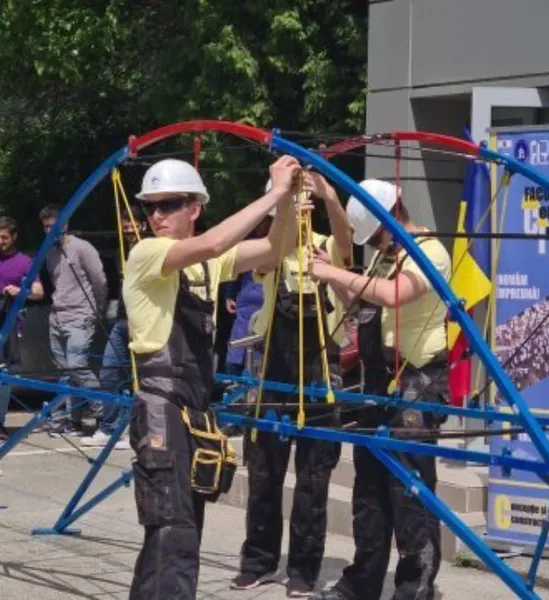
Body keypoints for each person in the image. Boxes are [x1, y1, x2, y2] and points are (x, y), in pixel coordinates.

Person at [122, 156, 302, 599]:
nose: (157, 216)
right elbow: (209, 245)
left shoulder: (206, 266)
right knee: (173, 532)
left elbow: (275, 250)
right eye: (151, 207)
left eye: (170, 204)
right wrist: (274, 193)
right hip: (162, 410)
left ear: (194, 208)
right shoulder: (147, 254)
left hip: (194, 413)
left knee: (178, 531)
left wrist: (289, 204)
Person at [308, 179, 450, 600]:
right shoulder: (386, 258)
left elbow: (392, 295)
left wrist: (333, 270)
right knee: (368, 491)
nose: (374, 244)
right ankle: (362, 582)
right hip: (376, 382)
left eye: (376, 235)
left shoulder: (430, 252)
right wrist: (333, 276)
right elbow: (358, 305)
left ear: (393, 216)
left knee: (410, 493)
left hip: (416, 383)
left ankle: (414, 588)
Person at [231, 173, 352, 597]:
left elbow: (347, 242)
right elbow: (266, 263)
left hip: (320, 369)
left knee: (313, 478)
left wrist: (330, 195)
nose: (301, 209)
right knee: (264, 471)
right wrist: (284, 206)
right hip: (273, 370)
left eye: (305, 203)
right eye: (291, 202)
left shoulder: (327, 243)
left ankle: (303, 569)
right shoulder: (273, 248)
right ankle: (259, 560)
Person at [81, 205, 148, 449]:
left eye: (133, 224)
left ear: (142, 225)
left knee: (140, 377)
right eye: (125, 225)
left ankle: (134, 428)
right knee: (110, 371)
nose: (128, 228)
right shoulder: (123, 248)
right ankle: (109, 427)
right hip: (122, 318)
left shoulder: (147, 246)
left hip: (141, 320)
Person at [40, 203, 107, 437]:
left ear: (65, 224)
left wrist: (97, 308)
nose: (50, 231)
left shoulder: (82, 248)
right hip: (57, 316)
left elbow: (99, 280)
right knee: (64, 372)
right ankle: (72, 420)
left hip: (80, 314)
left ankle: (104, 412)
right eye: (46, 227)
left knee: (76, 365)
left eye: (54, 226)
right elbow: (54, 284)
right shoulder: (50, 253)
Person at [0, 217, 44, 440]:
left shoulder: (24, 262)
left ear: (14, 237)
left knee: (5, 377)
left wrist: (20, 292)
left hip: (8, 328)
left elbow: (38, 291)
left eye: (4, 237)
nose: (0, 241)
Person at [223, 215, 271, 377]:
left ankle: (252, 386)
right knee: (238, 346)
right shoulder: (250, 244)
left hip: (269, 301)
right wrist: (230, 294)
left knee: (259, 349)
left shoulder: (283, 244)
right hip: (246, 299)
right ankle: (233, 384)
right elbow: (236, 269)